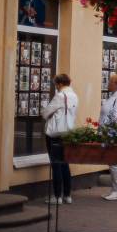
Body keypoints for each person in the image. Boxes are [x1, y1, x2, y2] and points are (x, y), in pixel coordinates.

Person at [41, 73, 78, 204]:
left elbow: (46, 113)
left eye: (56, 84)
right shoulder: (74, 96)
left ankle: (57, 197)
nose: (55, 86)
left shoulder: (60, 96)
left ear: (60, 84)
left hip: (55, 134)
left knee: (56, 164)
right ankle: (67, 195)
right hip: (67, 133)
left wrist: (45, 114)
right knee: (65, 164)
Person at [99, 73, 117, 201]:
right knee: (112, 162)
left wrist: (108, 131)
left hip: (112, 134)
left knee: (114, 162)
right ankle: (115, 189)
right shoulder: (116, 96)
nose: (108, 84)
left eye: (110, 82)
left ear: (116, 84)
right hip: (108, 133)